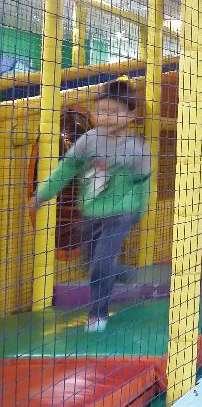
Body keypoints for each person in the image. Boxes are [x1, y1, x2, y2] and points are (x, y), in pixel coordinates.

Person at [30, 79, 151, 332]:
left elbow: (143, 182)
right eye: (101, 111)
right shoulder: (88, 140)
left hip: (120, 214)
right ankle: (120, 273)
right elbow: (65, 169)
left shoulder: (136, 149)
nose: (106, 118)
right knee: (90, 264)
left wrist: (138, 210)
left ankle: (98, 314)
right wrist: (41, 195)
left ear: (131, 115)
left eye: (114, 112)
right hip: (91, 212)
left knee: (100, 266)